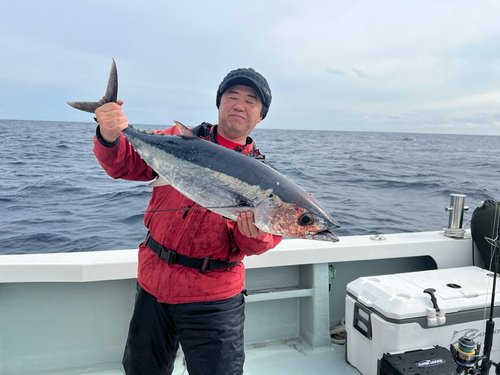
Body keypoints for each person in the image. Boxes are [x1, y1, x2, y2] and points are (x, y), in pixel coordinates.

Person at [92, 67, 283, 375]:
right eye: (231, 96)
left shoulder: (265, 178)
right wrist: (110, 135)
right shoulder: (177, 140)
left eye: (251, 101)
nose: (239, 104)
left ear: (261, 116)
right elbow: (123, 164)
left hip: (214, 296)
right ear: (219, 103)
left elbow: (260, 241)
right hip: (153, 284)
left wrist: (253, 234)